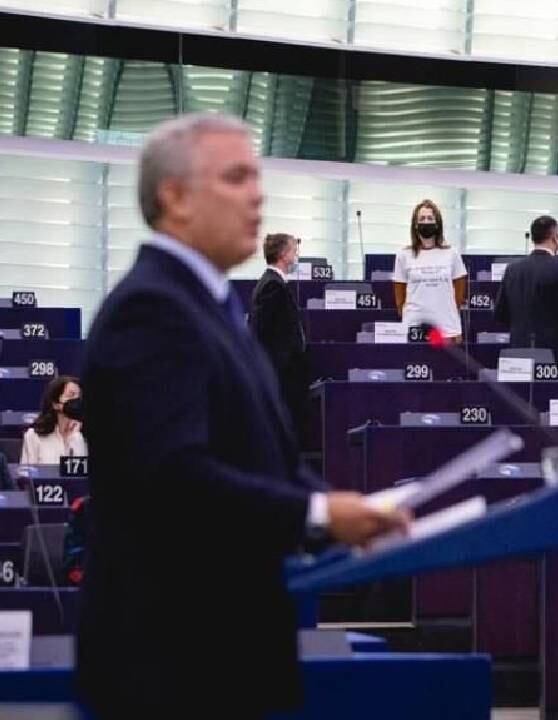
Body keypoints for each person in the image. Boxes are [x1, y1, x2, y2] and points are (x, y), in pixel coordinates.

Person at [75, 113, 408, 718]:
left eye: (257, 178)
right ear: (174, 196)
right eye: (236, 178)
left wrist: (340, 513)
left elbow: (261, 459)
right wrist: (316, 513)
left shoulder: (212, 305)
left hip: (227, 656)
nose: (257, 196)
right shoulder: (151, 309)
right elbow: (174, 481)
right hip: (172, 665)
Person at [495, 215, 558, 380]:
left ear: (533, 238)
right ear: (555, 238)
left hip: (517, 355)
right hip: (554, 358)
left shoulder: (512, 270)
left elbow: (500, 314)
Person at [249, 232, 308, 434]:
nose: (296, 256)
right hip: (280, 373)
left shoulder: (275, 283)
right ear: (283, 253)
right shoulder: (272, 285)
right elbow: (261, 331)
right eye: (294, 251)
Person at [392, 198, 468, 342]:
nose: (426, 222)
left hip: (447, 330)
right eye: (422, 219)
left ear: (437, 224)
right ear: (415, 225)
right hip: (414, 330)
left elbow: (458, 293)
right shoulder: (403, 255)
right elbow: (399, 297)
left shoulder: (452, 253)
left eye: (430, 218)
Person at [20, 375, 87, 464]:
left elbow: (84, 471)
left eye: (79, 397)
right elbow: (28, 471)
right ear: (55, 404)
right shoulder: (33, 436)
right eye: (71, 395)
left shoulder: (85, 435)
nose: (76, 400)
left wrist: (76, 438)